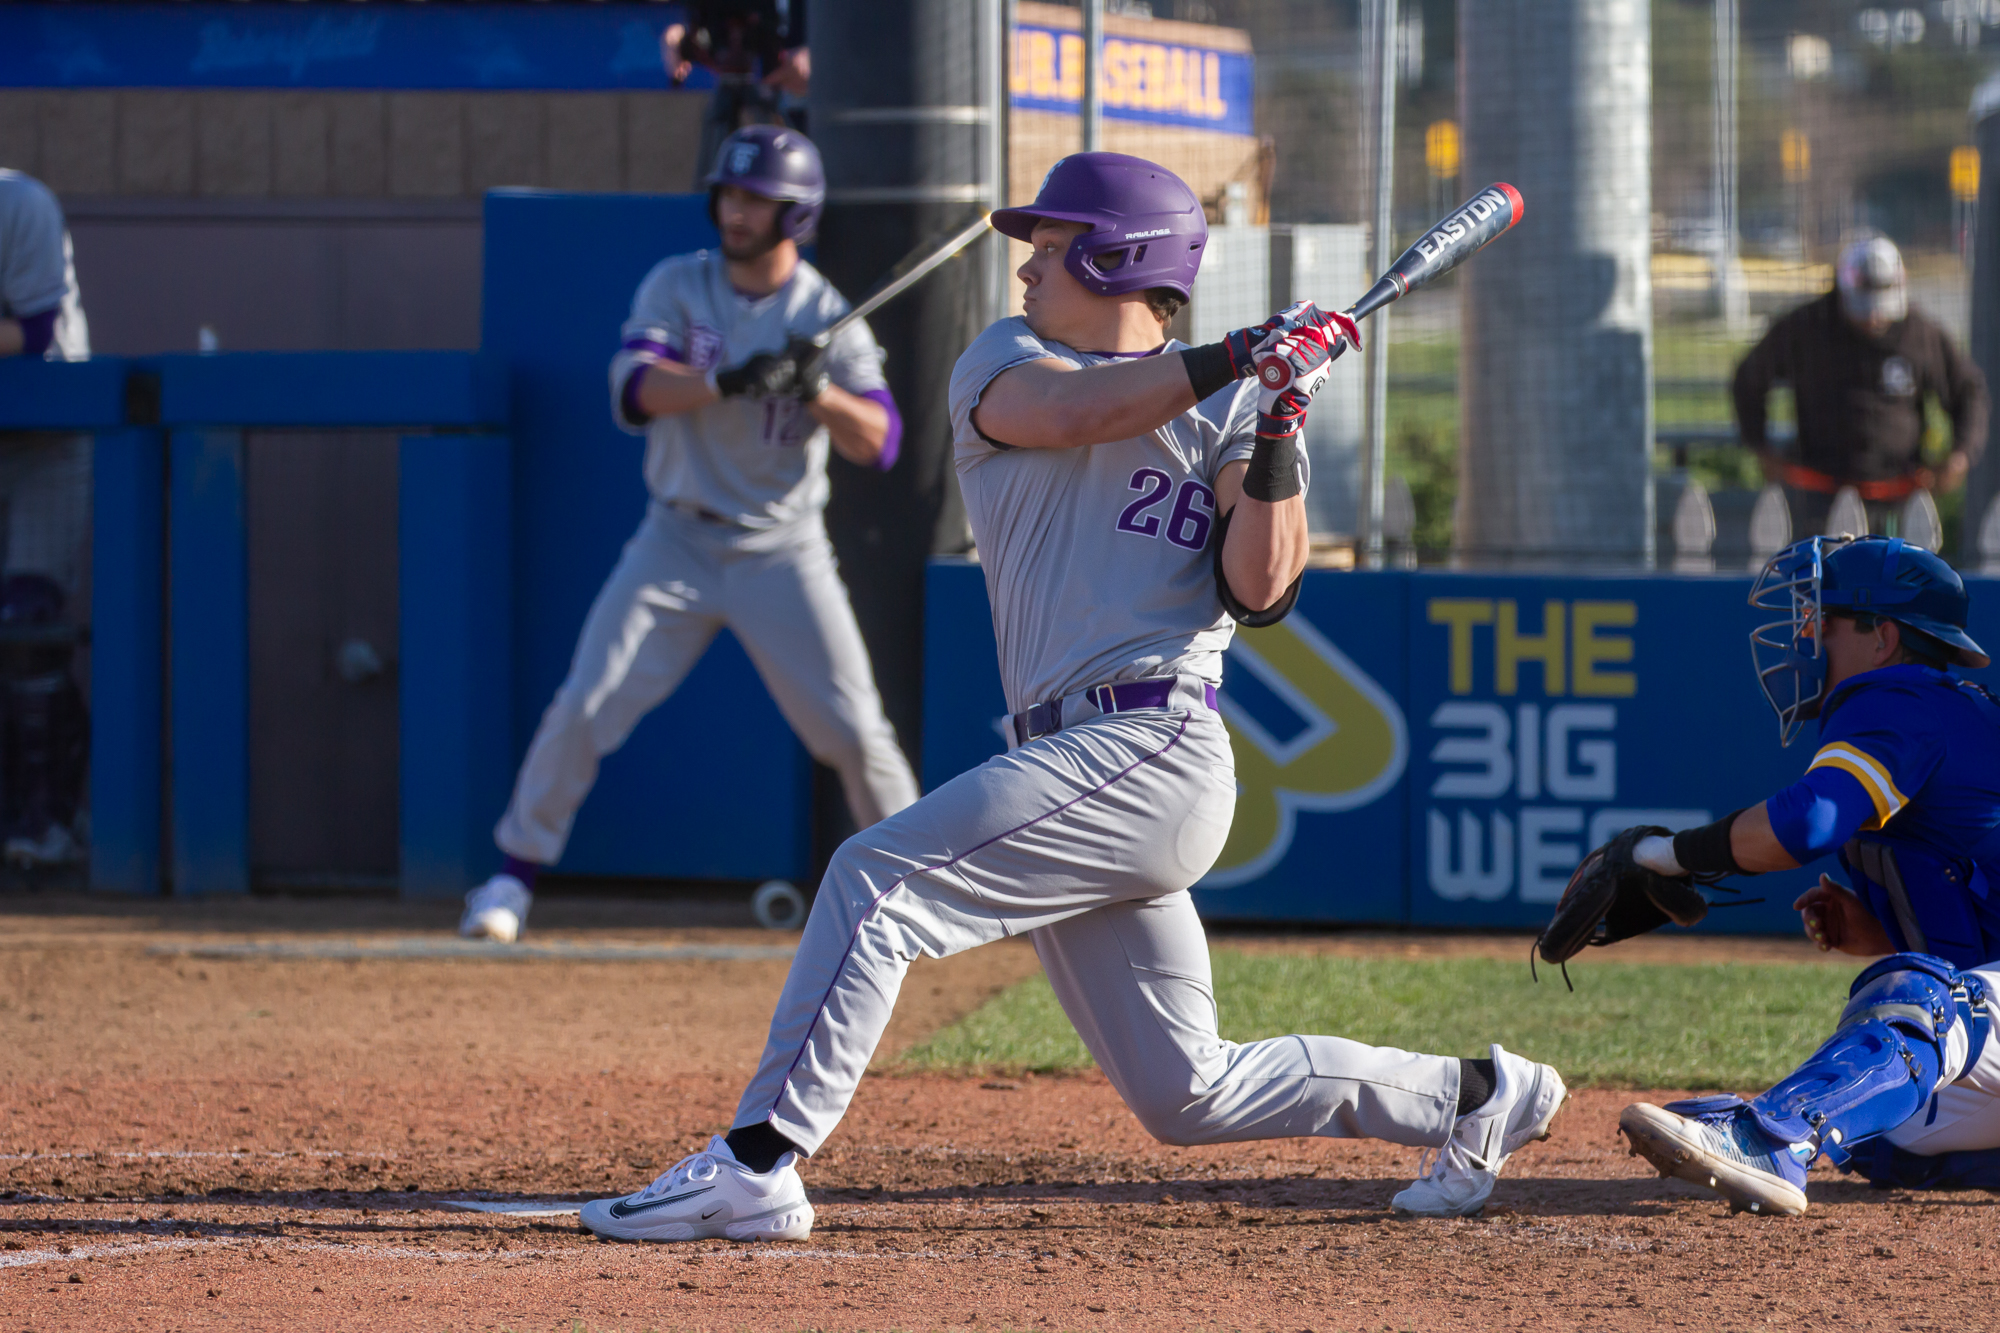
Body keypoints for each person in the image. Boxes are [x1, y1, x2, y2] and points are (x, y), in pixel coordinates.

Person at [575, 152, 1567, 1244]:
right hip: (1073, 753)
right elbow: (1069, 413)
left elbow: (1261, 586)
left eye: (1049, 249)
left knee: (873, 880)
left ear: (1117, 257)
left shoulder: (1228, 412)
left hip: (1153, 742)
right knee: (1186, 1094)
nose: (1026, 269)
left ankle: (759, 1160)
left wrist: (1279, 417)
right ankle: (1473, 1095)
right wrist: (1242, 353)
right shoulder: (1007, 360)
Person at [458, 126, 918, 943]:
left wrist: (816, 391)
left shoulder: (825, 316)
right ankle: (510, 877)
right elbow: (635, 390)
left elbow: (880, 442)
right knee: (587, 701)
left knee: (854, 730)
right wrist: (726, 379)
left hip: (783, 548)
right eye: (731, 195)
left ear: (797, 215)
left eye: (758, 200)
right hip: (675, 539)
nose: (737, 212)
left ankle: (925, 888)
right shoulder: (678, 284)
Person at [1594, 535, 2000, 1216]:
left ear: (1885, 638)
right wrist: (1882, 924)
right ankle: (1783, 1128)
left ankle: (1772, 1138)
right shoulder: (1935, 709)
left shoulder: (1899, 698)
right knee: (1885, 1129)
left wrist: (1668, 854)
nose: (1809, 637)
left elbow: (1807, 824)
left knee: (1914, 997)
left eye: (1828, 620)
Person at [1733, 236, 1987, 538]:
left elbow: (1968, 391)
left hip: (1899, 496)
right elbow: (1749, 379)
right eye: (1864, 307)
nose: (1874, 318)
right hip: (1819, 493)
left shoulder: (1920, 335)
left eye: (1883, 308)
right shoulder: (1806, 328)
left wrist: (1960, 454)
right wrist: (1761, 447)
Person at [662, 0, 809, 189]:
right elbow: (699, 23)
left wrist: (811, 54)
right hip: (749, 81)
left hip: (787, 86)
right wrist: (684, 35)